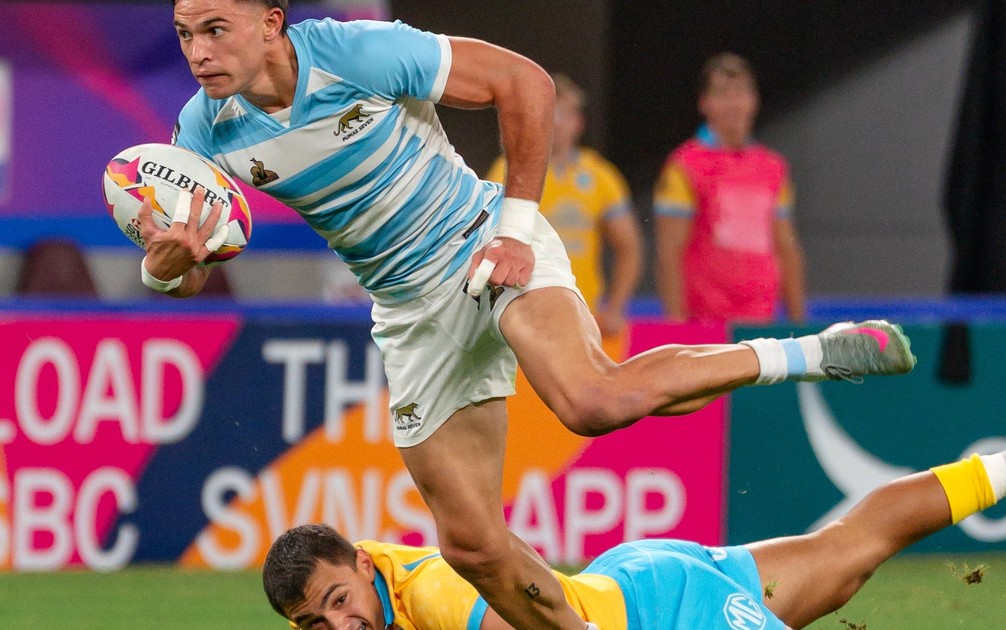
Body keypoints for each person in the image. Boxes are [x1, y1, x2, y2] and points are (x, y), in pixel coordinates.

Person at [143, 2, 915, 628]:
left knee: (592, 400)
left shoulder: (355, 53)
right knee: (472, 547)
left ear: (271, 23)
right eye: (184, 35)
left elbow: (525, 83)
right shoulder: (201, 133)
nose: (198, 53)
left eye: (216, 29)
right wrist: (165, 267)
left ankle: (814, 351)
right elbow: (188, 269)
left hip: (481, 240)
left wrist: (513, 231)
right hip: (409, 310)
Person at [262, 410, 1006, 630]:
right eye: (315, 625)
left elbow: (547, 621)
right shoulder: (368, 582)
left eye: (340, 601)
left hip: (659, 612)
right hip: (633, 577)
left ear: (363, 565)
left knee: (846, 554)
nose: (341, 626)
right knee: (846, 556)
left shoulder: (436, 594)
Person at [486, 73, 643, 338]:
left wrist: (616, 307)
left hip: (583, 316)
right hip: (523, 316)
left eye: (563, 114)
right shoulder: (506, 169)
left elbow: (629, 246)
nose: (555, 123)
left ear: (578, 122)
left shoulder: (600, 175)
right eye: (549, 113)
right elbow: (486, 238)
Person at [654, 52, 806, 325]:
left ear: (754, 101)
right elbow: (669, 253)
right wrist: (677, 329)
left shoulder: (774, 168)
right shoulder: (683, 166)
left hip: (761, 324)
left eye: (740, 93)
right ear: (704, 103)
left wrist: (798, 323)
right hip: (704, 326)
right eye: (723, 94)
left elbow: (786, 248)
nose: (734, 104)